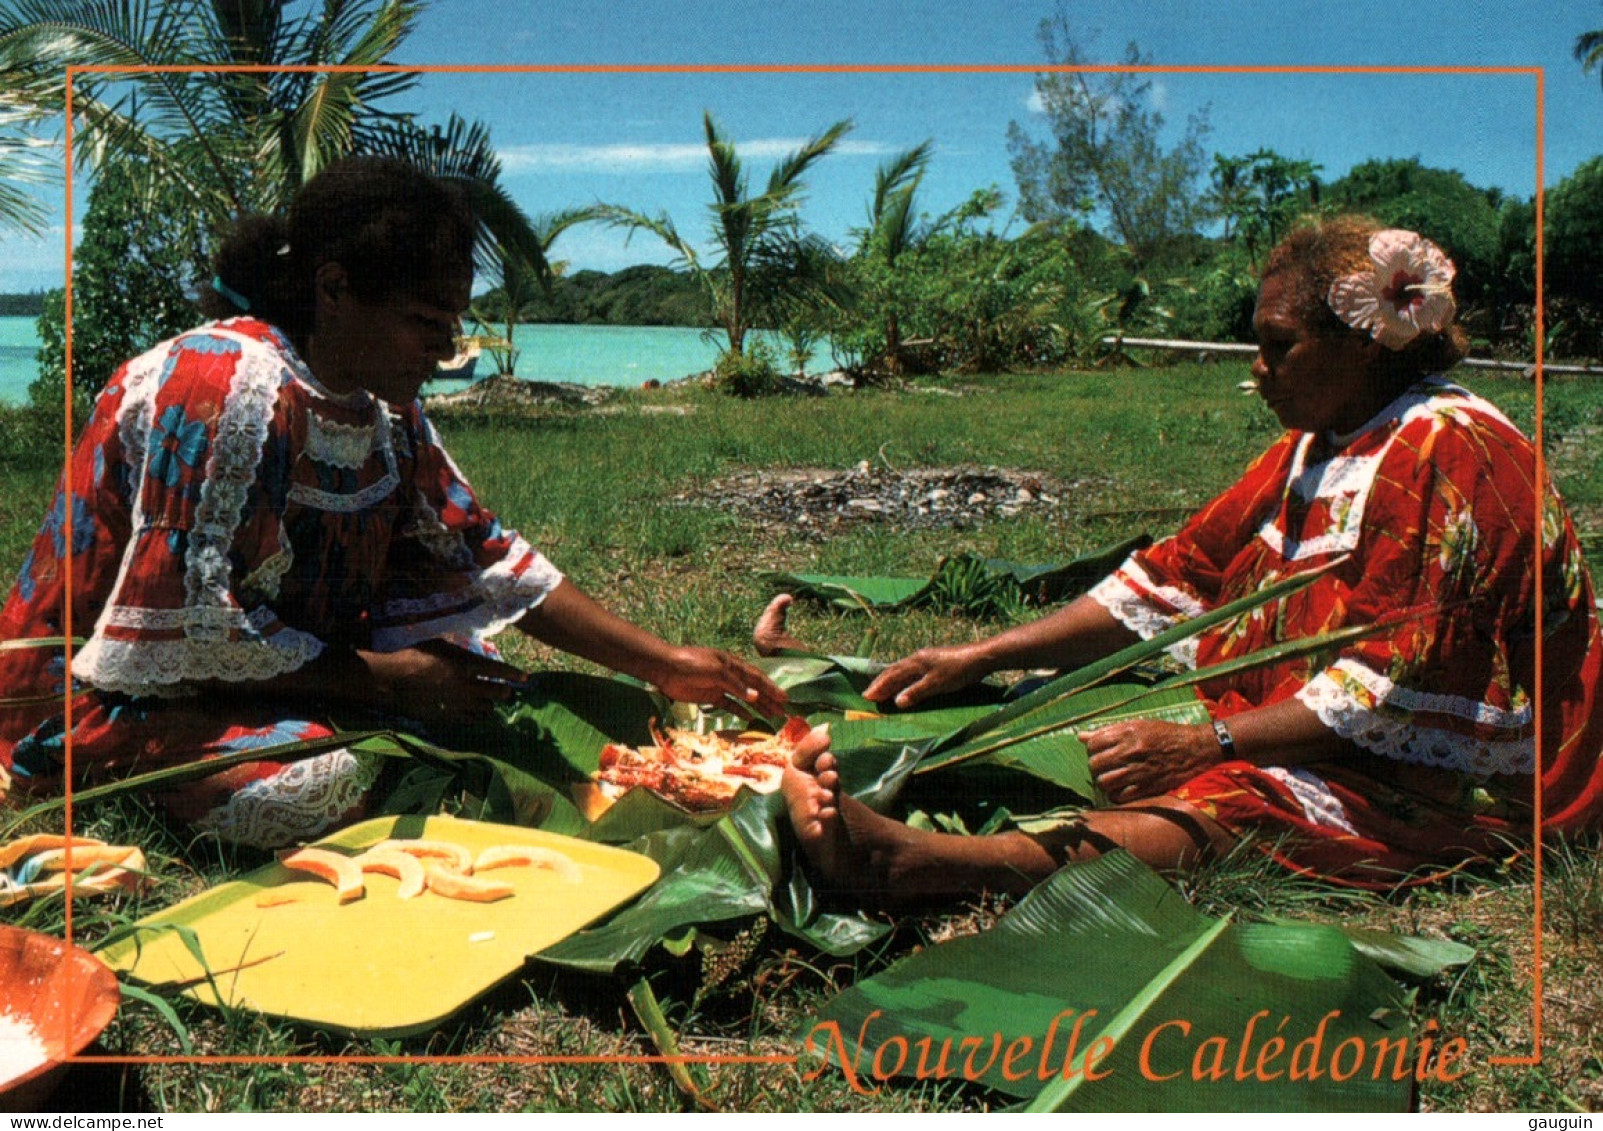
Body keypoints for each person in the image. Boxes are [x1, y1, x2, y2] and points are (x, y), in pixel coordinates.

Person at [762, 216, 1603, 903]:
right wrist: (987, 651)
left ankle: (922, 864)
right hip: (1335, 724)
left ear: (1363, 344)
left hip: (1459, 777)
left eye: (1278, 347)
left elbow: (1387, 688)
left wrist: (1212, 742)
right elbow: (1175, 576)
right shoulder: (1317, 446)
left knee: (1231, 804)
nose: (1259, 372)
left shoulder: (1449, 452)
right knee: (1062, 703)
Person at [0, 157, 785, 850]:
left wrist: (662, 662)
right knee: (321, 782)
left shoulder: (385, 408)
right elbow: (186, 631)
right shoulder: (219, 385)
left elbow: (485, 553)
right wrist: (386, 679)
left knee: (476, 693)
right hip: (105, 696)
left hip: (272, 679)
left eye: (450, 324)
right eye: (424, 323)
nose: (444, 352)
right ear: (333, 289)